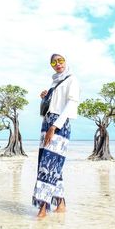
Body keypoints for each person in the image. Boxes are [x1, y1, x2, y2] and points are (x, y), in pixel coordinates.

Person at [32, 53, 80, 218]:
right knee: (52, 166)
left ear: (66, 61)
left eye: (60, 60)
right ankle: (61, 204)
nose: (57, 64)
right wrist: (46, 98)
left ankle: (43, 208)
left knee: (48, 165)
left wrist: (54, 126)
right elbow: (48, 109)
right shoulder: (55, 82)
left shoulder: (72, 79)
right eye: (54, 62)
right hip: (47, 123)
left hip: (58, 125)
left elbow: (71, 104)